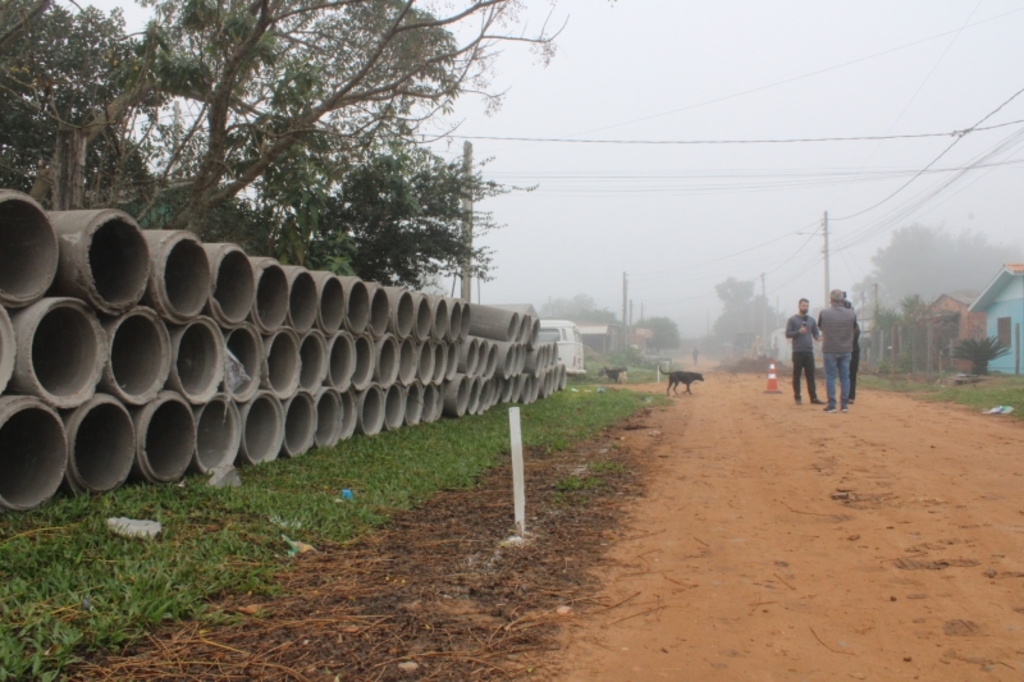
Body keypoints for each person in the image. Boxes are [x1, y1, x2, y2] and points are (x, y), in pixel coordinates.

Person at [817, 289, 858, 413]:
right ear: (843, 299)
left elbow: (820, 326)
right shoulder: (851, 313)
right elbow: (854, 328)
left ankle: (832, 404)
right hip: (845, 348)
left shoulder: (824, 313)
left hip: (829, 348)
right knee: (845, 377)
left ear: (831, 300)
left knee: (830, 376)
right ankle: (844, 404)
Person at [785, 298, 823, 405]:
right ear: (799, 306)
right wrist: (798, 332)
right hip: (797, 351)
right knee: (797, 375)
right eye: (803, 306)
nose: (805, 308)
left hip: (809, 352)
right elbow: (788, 334)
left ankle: (813, 397)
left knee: (810, 375)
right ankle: (797, 397)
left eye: (807, 306)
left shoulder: (811, 320)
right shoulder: (792, 320)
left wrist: (818, 338)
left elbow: (815, 333)